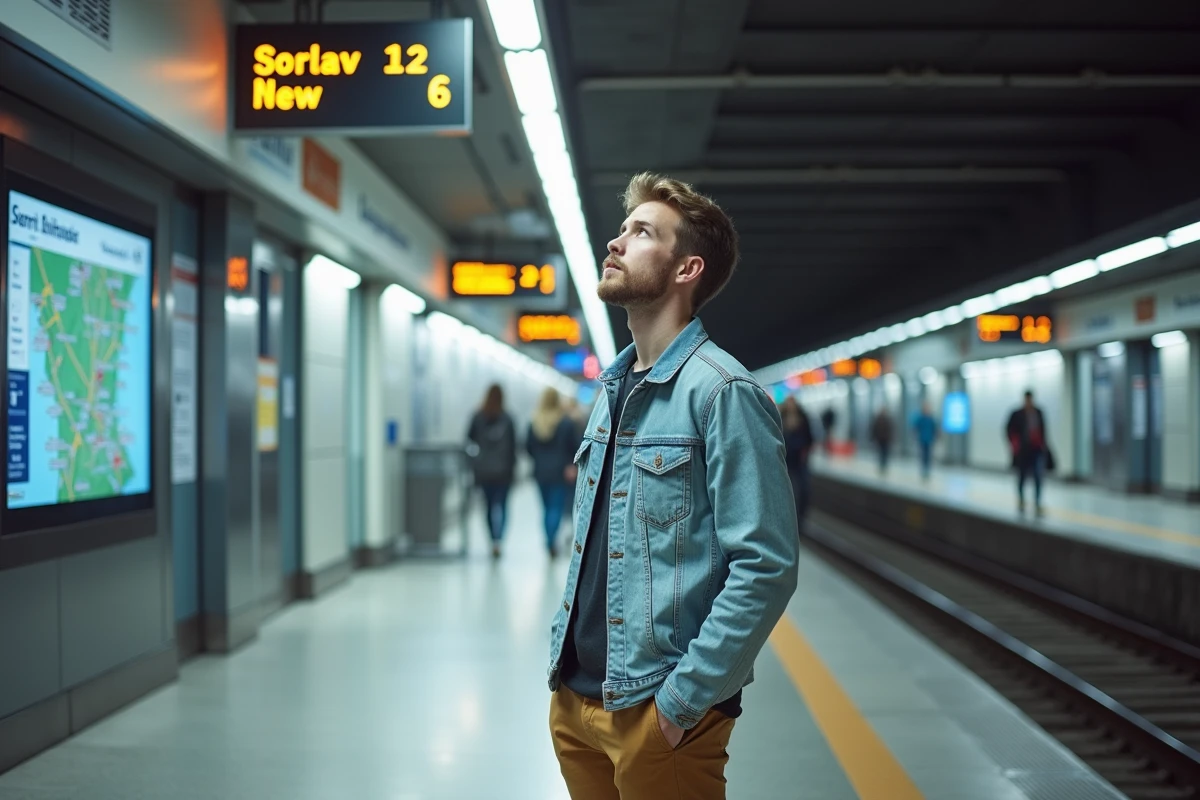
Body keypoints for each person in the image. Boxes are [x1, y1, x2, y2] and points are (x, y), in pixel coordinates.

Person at [547, 172, 799, 798]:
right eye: (624, 228)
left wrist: (682, 703)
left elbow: (766, 566)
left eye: (641, 232)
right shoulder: (611, 390)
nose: (616, 242)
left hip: (657, 706)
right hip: (579, 698)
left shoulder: (723, 393)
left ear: (687, 269)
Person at [527, 388, 580, 558]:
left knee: (546, 507)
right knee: (556, 507)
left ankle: (549, 540)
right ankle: (551, 540)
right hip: (560, 472)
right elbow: (574, 446)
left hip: (540, 472)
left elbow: (528, 446)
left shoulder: (534, 422)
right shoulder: (565, 422)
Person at [466, 384, 516, 558]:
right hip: (504, 471)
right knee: (501, 506)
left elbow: (469, 438)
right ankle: (498, 539)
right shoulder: (508, 419)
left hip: (484, 471)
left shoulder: (478, 417)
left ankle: (491, 538)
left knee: (487, 507)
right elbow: (513, 447)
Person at [1006, 390, 1050, 516]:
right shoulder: (1017, 414)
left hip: (1036, 449)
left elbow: (1043, 430)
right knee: (1022, 476)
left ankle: (1037, 502)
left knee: (1038, 476)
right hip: (1023, 451)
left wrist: (1044, 446)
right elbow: (1009, 430)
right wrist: (1015, 444)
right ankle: (1021, 500)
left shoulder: (1039, 413)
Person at [780, 396, 815, 533]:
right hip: (786, 463)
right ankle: (789, 522)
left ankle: (800, 521)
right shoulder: (780, 419)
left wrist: (804, 452)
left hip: (800, 463)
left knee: (804, 491)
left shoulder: (803, 419)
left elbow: (810, 438)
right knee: (789, 493)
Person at [912, 402, 938, 481]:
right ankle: (923, 470)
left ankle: (927, 470)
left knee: (928, 455)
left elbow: (934, 428)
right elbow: (916, 427)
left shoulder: (931, 418)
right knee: (923, 455)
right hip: (922, 439)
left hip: (929, 440)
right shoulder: (921, 418)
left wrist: (936, 436)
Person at [870, 406, 895, 475]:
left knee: (885, 453)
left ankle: (884, 466)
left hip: (886, 439)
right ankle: (881, 466)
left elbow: (891, 430)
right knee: (881, 453)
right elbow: (874, 429)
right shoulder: (878, 419)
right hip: (880, 439)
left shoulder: (887, 419)